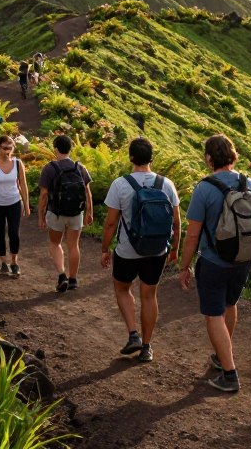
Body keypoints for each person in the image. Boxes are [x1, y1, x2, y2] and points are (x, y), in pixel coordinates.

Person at [178, 134, 251, 393]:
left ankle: (229, 374)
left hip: (214, 261)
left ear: (209, 158)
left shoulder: (205, 188)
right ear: (233, 155)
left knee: (213, 313)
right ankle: (222, 356)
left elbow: (193, 235)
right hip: (245, 260)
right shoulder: (250, 184)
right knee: (230, 305)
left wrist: (184, 266)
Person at [101, 137, 180, 363]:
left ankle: (132, 334)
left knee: (123, 288)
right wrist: (174, 248)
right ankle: (147, 347)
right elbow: (176, 221)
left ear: (131, 158)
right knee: (149, 294)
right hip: (157, 250)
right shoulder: (166, 184)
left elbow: (110, 223)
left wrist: (105, 249)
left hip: (128, 249)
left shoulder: (120, 184)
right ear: (151, 159)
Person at [38, 135, 93, 292]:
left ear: (55, 149)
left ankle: (62, 275)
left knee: (55, 243)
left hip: (56, 213)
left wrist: (41, 216)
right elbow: (87, 192)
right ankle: (73, 279)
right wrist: (89, 212)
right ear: (70, 148)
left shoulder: (49, 168)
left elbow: (43, 195)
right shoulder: (80, 167)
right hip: (76, 213)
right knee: (73, 245)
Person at [0, 135, 31, 276]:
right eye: (4, 148)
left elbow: (23, 185)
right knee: (0, 232)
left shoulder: (17, 163)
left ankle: (14, 262)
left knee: (14, 233)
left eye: (10, 148)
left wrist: (26, 204)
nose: (8, 151)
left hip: (14, 202)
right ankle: (3, 262)